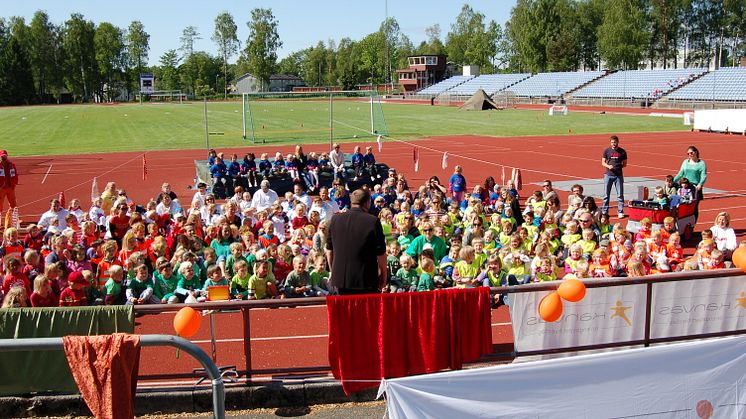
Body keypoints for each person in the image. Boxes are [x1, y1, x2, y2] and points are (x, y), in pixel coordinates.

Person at [325, 188, 387, 294]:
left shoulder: (335, 220)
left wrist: (332, 270)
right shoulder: (373, 221)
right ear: (368, 202)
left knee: (343, 310)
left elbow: (329, 250)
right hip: (365, 280)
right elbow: (381, 253)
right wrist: (384, 275)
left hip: (340, 280)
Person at [674, 145, 707, 219]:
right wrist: (673, 181)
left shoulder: (701, 163)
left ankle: (693, 223)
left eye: (691, 153)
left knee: (694, 207)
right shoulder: (685, 162)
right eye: (688, 153)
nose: (690, 155)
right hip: (684, 185)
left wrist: (700, 184)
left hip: (695, 187)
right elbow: (680, 173)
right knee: (682, 205)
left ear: (695, 152)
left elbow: (703, 175)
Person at [601, 135, 628, 218]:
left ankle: (620, 211)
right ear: (610, 142)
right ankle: (605, 211)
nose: (613, 144)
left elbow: (625, 164)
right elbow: (603, 162)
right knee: (606, 195)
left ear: (618, 142)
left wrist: (618, 167)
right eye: (612, 142)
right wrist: (608, 166)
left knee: (620, 195)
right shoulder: (607, 151)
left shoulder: (622, 152)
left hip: (618, 176)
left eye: (615, 142)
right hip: (608, 175)